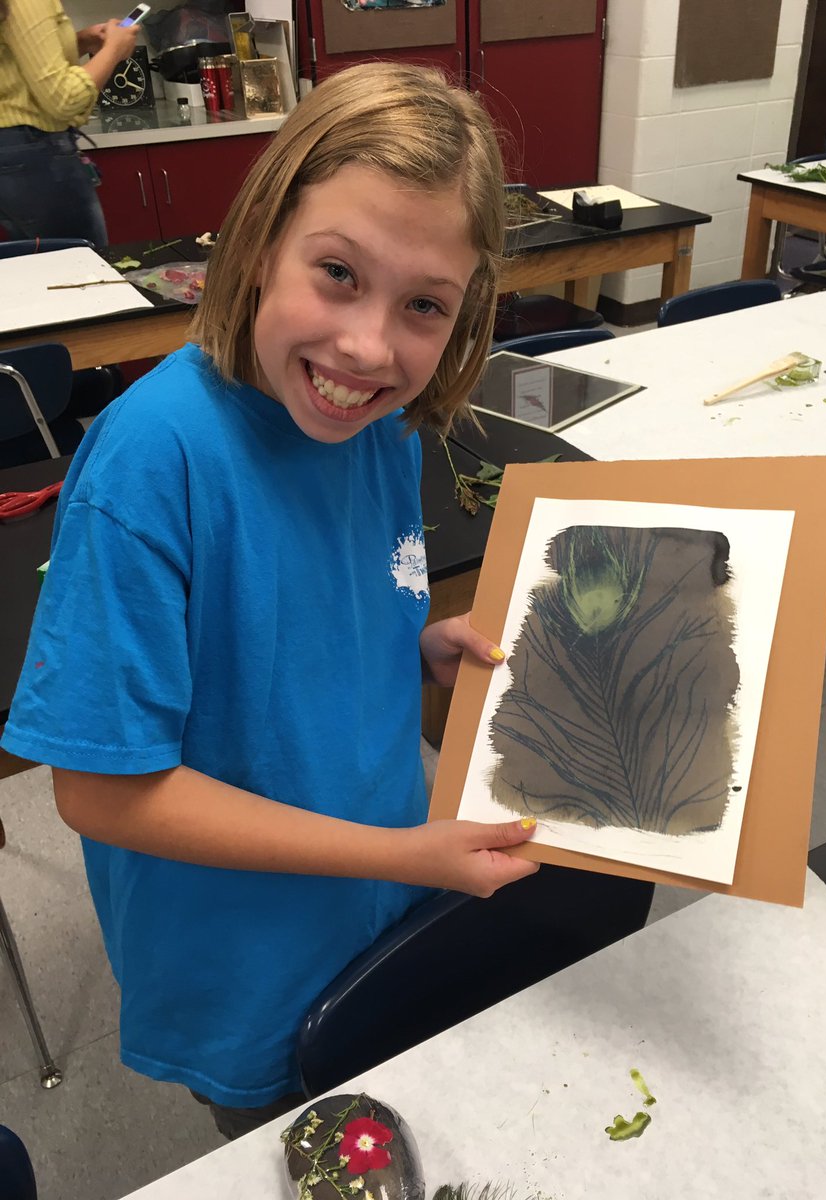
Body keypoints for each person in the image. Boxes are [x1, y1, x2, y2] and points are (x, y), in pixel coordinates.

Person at [1, 61, 539, 1140]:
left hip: (374, 905)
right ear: (259, 237)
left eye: (424, 304)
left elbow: (307, 611)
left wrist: (409, 646)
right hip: (248, 963)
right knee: (301, 1143)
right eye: (338, 273)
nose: (367, 347)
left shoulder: (380, 424)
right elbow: (102, 793)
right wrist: (402, 855)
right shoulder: (152, 459)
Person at [0, 0, 137, 245]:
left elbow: (15, 60)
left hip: (11, 155)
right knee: (88, 274)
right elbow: (65, 99)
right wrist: (113, 50)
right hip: (36, 152)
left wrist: (81, 41)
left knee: (45, 271)